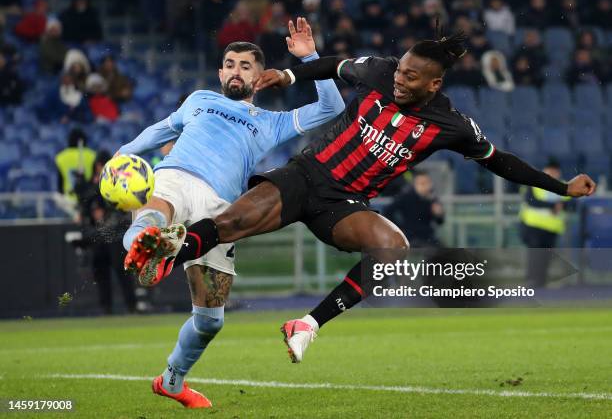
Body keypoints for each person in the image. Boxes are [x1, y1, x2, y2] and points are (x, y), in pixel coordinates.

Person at [129, 31, 596, 364]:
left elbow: (501, 160)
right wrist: (291, 75)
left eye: (412, 77)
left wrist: (561, 187)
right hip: (305, 176)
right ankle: (170, 250)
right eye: (402, 70)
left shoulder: (451, 125)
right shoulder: (379, 70)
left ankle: (307, 326)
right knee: (229, 224)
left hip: (343, 203)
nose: (400, 79)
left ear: (434, 85)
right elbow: (334, 65)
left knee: (393, 251)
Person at [118, 19, 344, 408]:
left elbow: (332, 107)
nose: (235, 70)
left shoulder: (272, 123)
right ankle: (147, 246)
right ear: (220, 71)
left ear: (260, 77)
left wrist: (310, 58)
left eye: (245, 66)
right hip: (177, 175)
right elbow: (159, 131)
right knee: (157, 209)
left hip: (221, 214)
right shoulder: (199, 100)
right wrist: (122, 157)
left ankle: (171, 381)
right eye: (230, 64)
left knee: (210, 321)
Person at [73, 150, 136, 314]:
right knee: (101, 273)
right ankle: (107, 307)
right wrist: (81, 188)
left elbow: (122, 210)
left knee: (122, 273)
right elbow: (85, 205)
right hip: (99, 236)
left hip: (114, 236)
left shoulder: (117, 184)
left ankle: (131, 306)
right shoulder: (93, 185)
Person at [519, 160, 571, 288]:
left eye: (555, 171)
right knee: (535, 254)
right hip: (533, 226)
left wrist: (562, 205)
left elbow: (571, 203)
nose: (553, 174)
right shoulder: (534, 184)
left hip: (552, 228)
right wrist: (554, 205)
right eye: (550, 171)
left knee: (546, 256)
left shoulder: (564, 186)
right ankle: (532, 281)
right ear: (545, 170)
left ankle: (541, 282)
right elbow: (531, 201)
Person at [384, 170, 444, 248]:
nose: (425, 186)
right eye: (422, 183)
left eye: (427, 183)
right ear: (415, 184)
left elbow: (440, 222)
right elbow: (387, 212)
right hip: (411, 237)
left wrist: (439, 214)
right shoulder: (405, 197)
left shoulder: (432, 199)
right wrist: (399, 228)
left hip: (428, 237)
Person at [55, 128, 96, 201]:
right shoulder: (92, 155)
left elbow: (60, 185)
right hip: (88, 198)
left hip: (68, 200)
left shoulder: (60, 157)